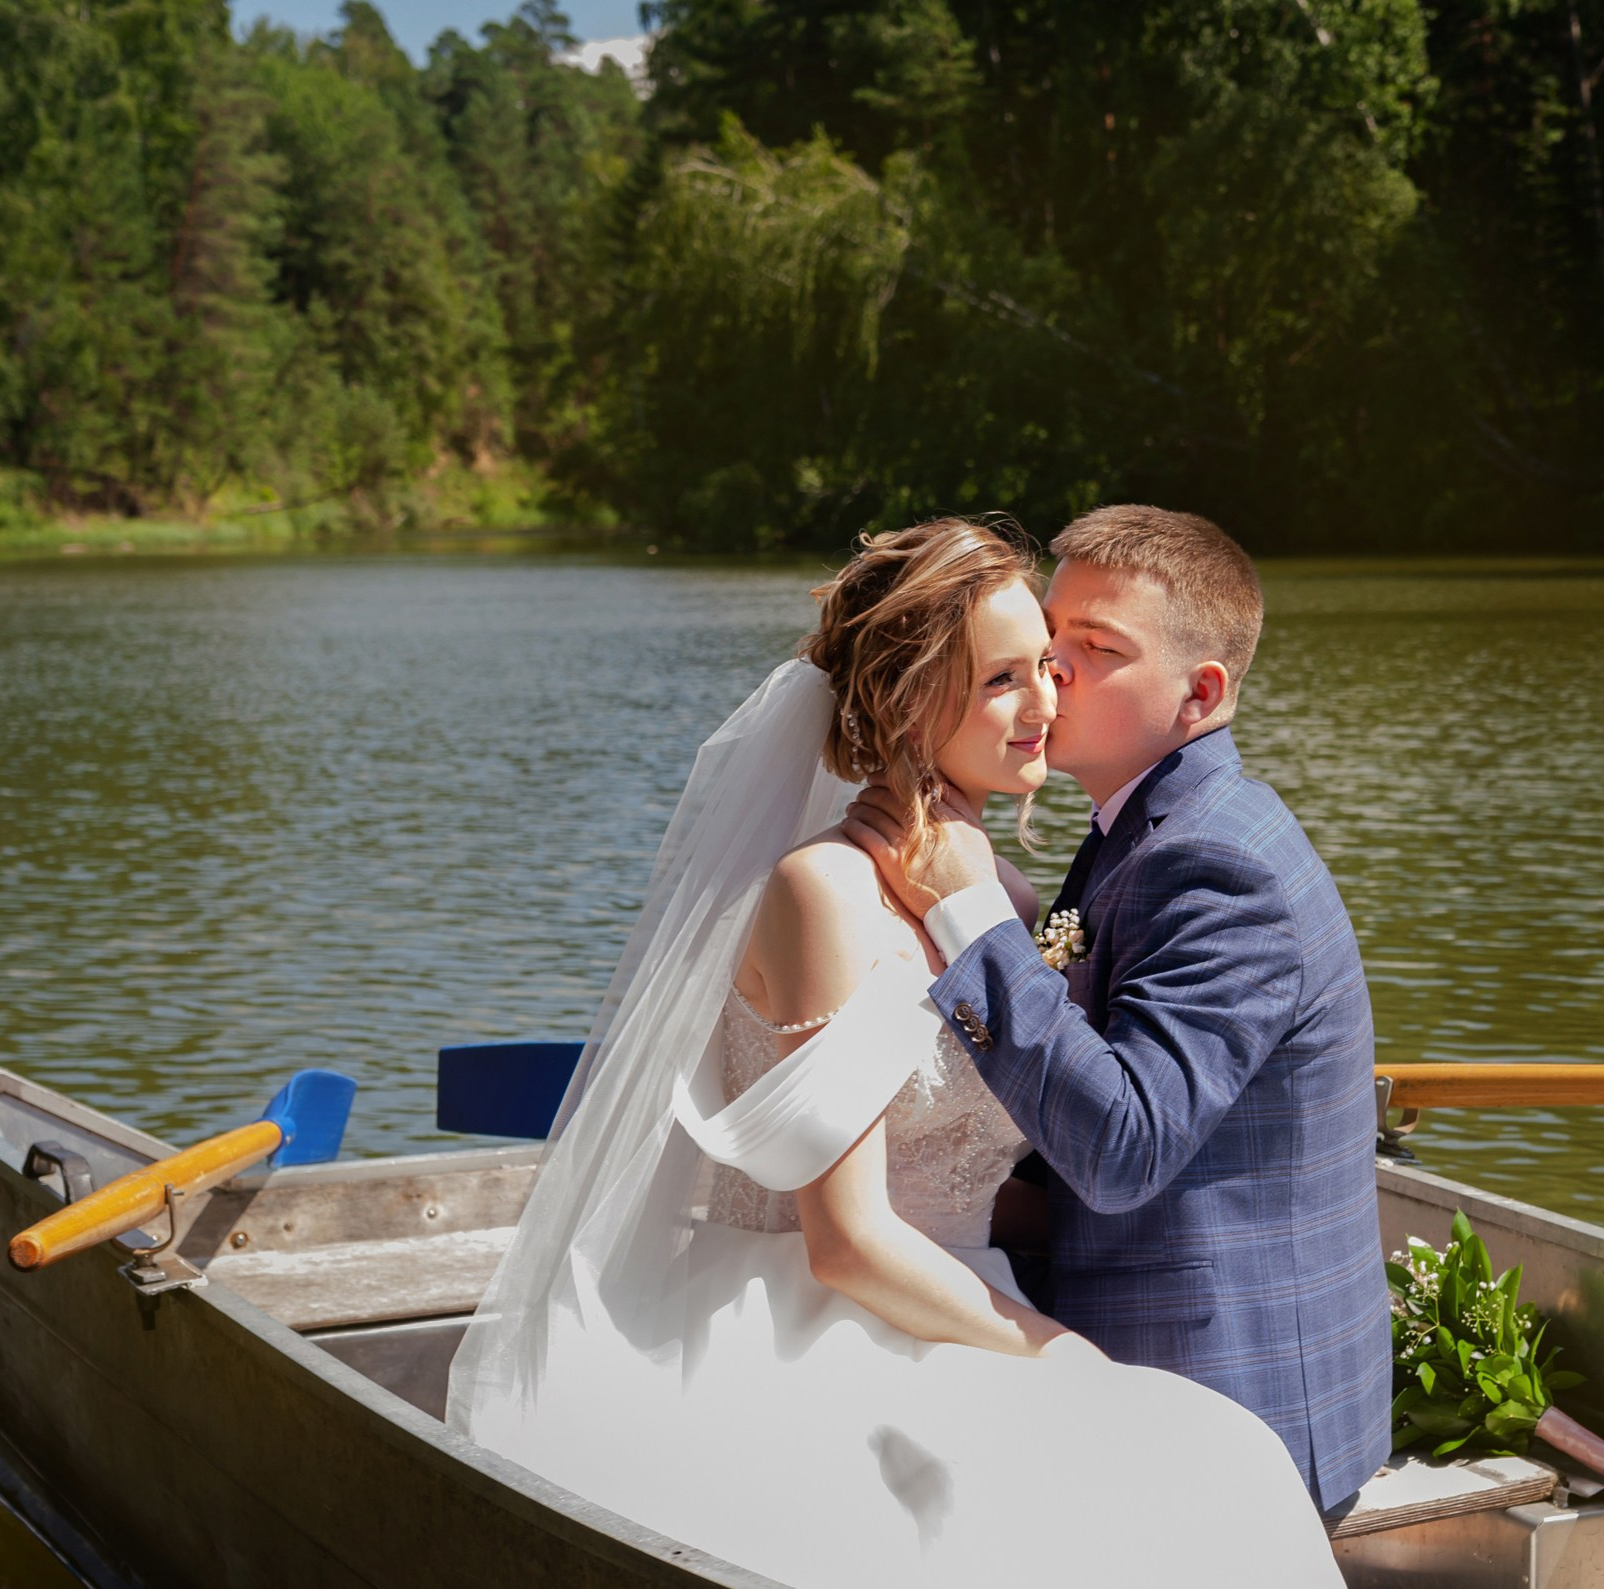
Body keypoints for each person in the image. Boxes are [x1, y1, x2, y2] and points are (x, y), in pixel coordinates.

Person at [446, 517, 1340, 1588]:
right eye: (1009, 675)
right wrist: (1059, 1353)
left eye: (1054, 667)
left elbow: (1004, 1146)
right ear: (910, 700)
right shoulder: (819, 891)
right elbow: (847, 1240)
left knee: (1209, 1462)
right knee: (1155, 1471)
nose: (1048, 701)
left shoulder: (993, 895)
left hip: (961, 1295)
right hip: (823, 1316)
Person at [845, 505, 1392, 1516]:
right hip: (1155, 1351)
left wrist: (969, 914)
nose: (1051, 675)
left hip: (1227, 1413)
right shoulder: (1136, 827)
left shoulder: (1217, 864)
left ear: (1202, 693)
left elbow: (1121, 1145)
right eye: (1050, 641)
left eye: (1096, 651)